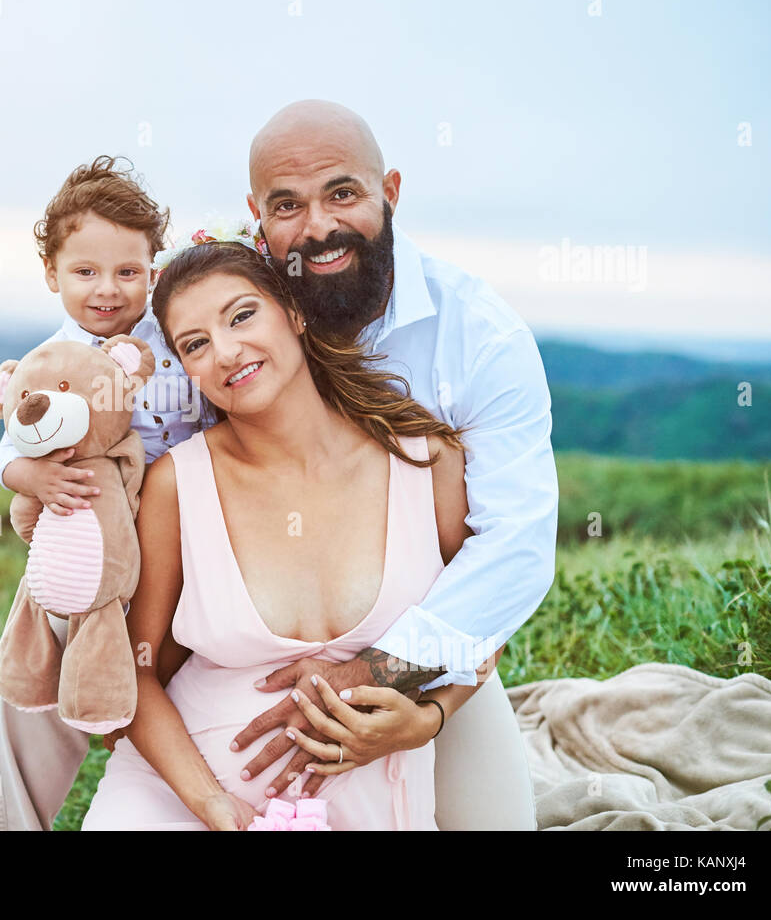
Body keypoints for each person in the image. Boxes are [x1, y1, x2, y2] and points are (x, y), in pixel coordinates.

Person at [204, 101, 556, 822]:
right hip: (243, 651)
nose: (319, 227)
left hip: (421, 646)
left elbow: (514, 550)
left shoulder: (481, 339)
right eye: (287, 205)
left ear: (389, 190)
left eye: (343, 193)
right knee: (57, 600)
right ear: (256, 216)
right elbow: (112, 346)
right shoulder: (226, 315)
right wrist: (35, 455)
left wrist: (397, 687)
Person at [82, 235, 502, 829]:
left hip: (371, 805)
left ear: (297, 313)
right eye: (196, 344)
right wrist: (210, 802)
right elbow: (139, 669)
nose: (226, 352)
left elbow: (485, 614)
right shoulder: (178, 483)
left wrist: (430, 716)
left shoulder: (423, 462)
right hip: (180, 800)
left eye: (242, 315)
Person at [0, 154, 209, 830]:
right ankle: (10, 818)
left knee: (153, 684)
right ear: (52, 273)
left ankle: (153, 791)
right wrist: (33, 477)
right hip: (85, 552)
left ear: (153, 271)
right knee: (32, 676)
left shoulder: (173, 343)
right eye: (85, 271)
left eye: (128, 271)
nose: (107, 289)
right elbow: (5, 453)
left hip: (175, 547)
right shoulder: (50, 360)